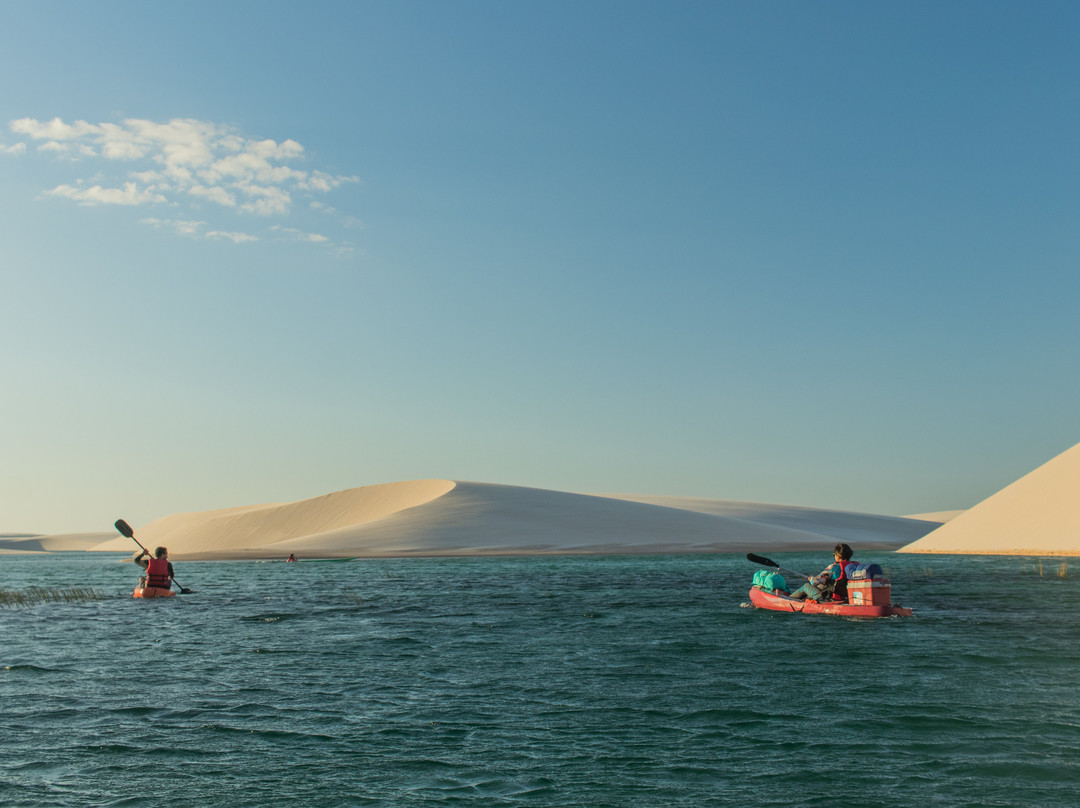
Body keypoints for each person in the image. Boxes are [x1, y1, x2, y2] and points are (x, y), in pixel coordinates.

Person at [787, 543, 856, 601]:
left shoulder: (834, 567)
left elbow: (816, 582)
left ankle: (788, 600)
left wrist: (811, 579)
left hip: (826, 596)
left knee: (806, 586)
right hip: (844, 596)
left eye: (834, 554)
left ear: (837, 556)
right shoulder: (852, 566)